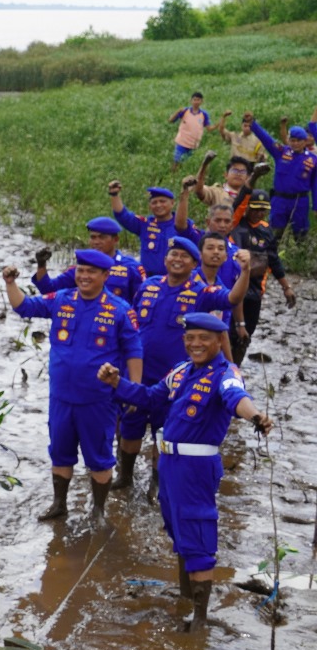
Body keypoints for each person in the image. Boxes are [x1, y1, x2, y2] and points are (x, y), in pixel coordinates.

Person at [99, 313, 273, 631]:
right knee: (179, 532)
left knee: (198, 535)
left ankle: (201, 619)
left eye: (203, 338)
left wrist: (256, 415)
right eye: (190, 338)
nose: (195, 344)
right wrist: (117, 383)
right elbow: (151, 397)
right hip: (169, 464)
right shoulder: (181, 371)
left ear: (220, 341)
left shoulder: (226, 373)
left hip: (195, 468)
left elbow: (237, 397)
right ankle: (185, 598)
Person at [3, 250, 143, 524]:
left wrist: (134, 390)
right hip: (61, 398)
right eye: (81, 270)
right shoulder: (62, 299)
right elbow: (24, 307)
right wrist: (10, 283)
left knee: (99, 457)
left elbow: (134, 351)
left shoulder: (119, 309)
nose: (84, 276)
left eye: (91, 272)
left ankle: (98, 511)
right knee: (60, 451)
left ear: (105, 276)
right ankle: (59, 504)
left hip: (99, 400)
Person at [116, 238, 251, 501]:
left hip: (173, 381)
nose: (177, 260)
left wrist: (245, 271)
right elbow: (131, 326)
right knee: (130, 427)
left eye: (184, 256)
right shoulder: (148, 285)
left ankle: (155, 484)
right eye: (172, 255)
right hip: (138, 375)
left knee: (162, 433)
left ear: (194, 263)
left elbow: (233, 297)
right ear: (166, 259)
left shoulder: (201, 292)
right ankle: (125, 477)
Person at [230, 195, 297, 361]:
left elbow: (274, 260)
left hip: (255, 291)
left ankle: (235, 369)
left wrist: (286, 287)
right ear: (248, 207)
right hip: (233, 290)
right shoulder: (237, 224)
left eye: (263, 210)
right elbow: (237, 203)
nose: (258, 213)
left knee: (246, 334)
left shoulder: (266, 230)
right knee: (229, 331)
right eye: (255, 208)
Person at [33, 216, 145, 304]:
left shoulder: (131, 267)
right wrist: (41, 265)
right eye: (93, 237)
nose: (96, 242)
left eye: (102, 237)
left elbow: (142, 302)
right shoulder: (82, 268)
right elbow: (49, 290)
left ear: (115, 239)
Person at [248, 113, 316, 241]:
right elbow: (266, 139)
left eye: (298, 141)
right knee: (274, 234)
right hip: (280, 200)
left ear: (305, 142)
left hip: (300, 201)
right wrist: (253, 124)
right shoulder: (281, 152)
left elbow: (315, 185)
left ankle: (298, 258)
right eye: (292, 140)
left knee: (300, 234)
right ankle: (272, 257)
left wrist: (316, 206)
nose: (295, 144)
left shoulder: (313, 160)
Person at [110, 181, 184, 278]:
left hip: (176, 280)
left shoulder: (182, 225)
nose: (158, 205)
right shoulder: (145, 224)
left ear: (172, 203)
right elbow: (123, 216)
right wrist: (114, 194)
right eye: (154, 202)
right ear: (150, 206)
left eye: (162, 201)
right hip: (149, 281)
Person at [169, 92, 210, 171]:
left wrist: (221, 120)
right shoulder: (185, 111)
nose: (196, 102)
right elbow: (171, 120)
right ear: (191, 101)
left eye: (198, 100)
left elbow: (209, 128)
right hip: (181, 142)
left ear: (202, 101)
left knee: (188, 165)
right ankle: (172, 178)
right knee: (176, 162)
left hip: (193, 145)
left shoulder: (204, 114)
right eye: (194, 100)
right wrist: (178, 111)